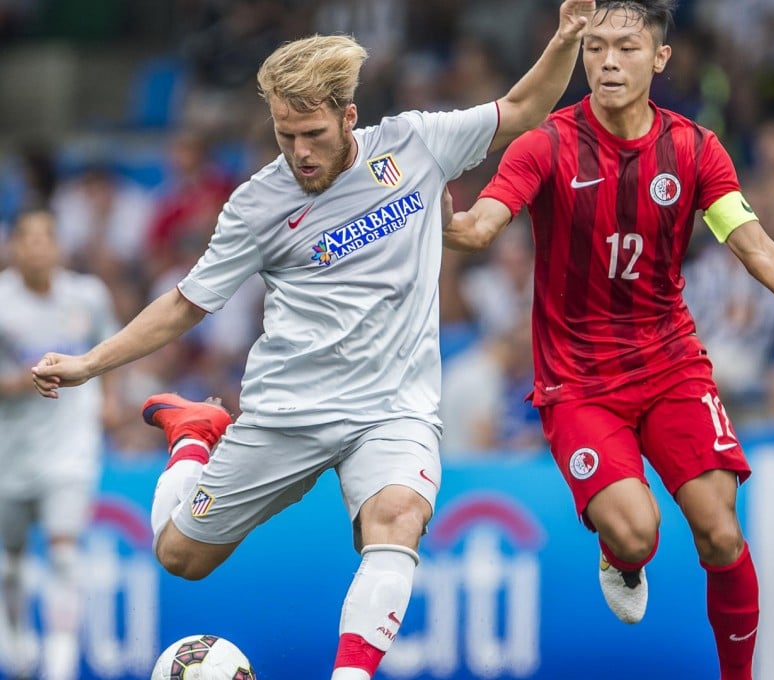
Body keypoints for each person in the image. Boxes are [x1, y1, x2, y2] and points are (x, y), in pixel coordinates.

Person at [30, 4, 595, 679]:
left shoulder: (416, 145)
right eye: (284, 134)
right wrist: (92, 363)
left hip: (392, 406)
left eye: (313, 133)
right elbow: (186, 304)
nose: (299, 151)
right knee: (179, 558)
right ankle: (192, 435)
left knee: (398, 518)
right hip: (288, 412)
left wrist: (566, 38)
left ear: (350, 116)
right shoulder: (258, 204)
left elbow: (525, 105)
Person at [441, 2, 774, 678]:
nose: (607, 62)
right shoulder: (545, 144)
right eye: (595, 47)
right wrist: (438, 221)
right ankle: (619, 555)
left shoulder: (693, 150)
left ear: (659, 58)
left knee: (720, 533)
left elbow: (756, 249)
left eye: (626, 48)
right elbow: (482, 226)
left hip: (670, 365)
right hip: (579, 382)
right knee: (638, 531)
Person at [0, 210, 119, 680]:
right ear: (13, 247)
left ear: (58, 245)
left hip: (71, 446)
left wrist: (108, 401)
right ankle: (21, 650)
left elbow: (110, 350)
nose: (37, 247)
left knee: (65, 551)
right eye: (27, 238)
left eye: (46, 237)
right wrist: (20, 383)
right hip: (10, 450)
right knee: (10, 563)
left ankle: (60, 666)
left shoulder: (87, 296)